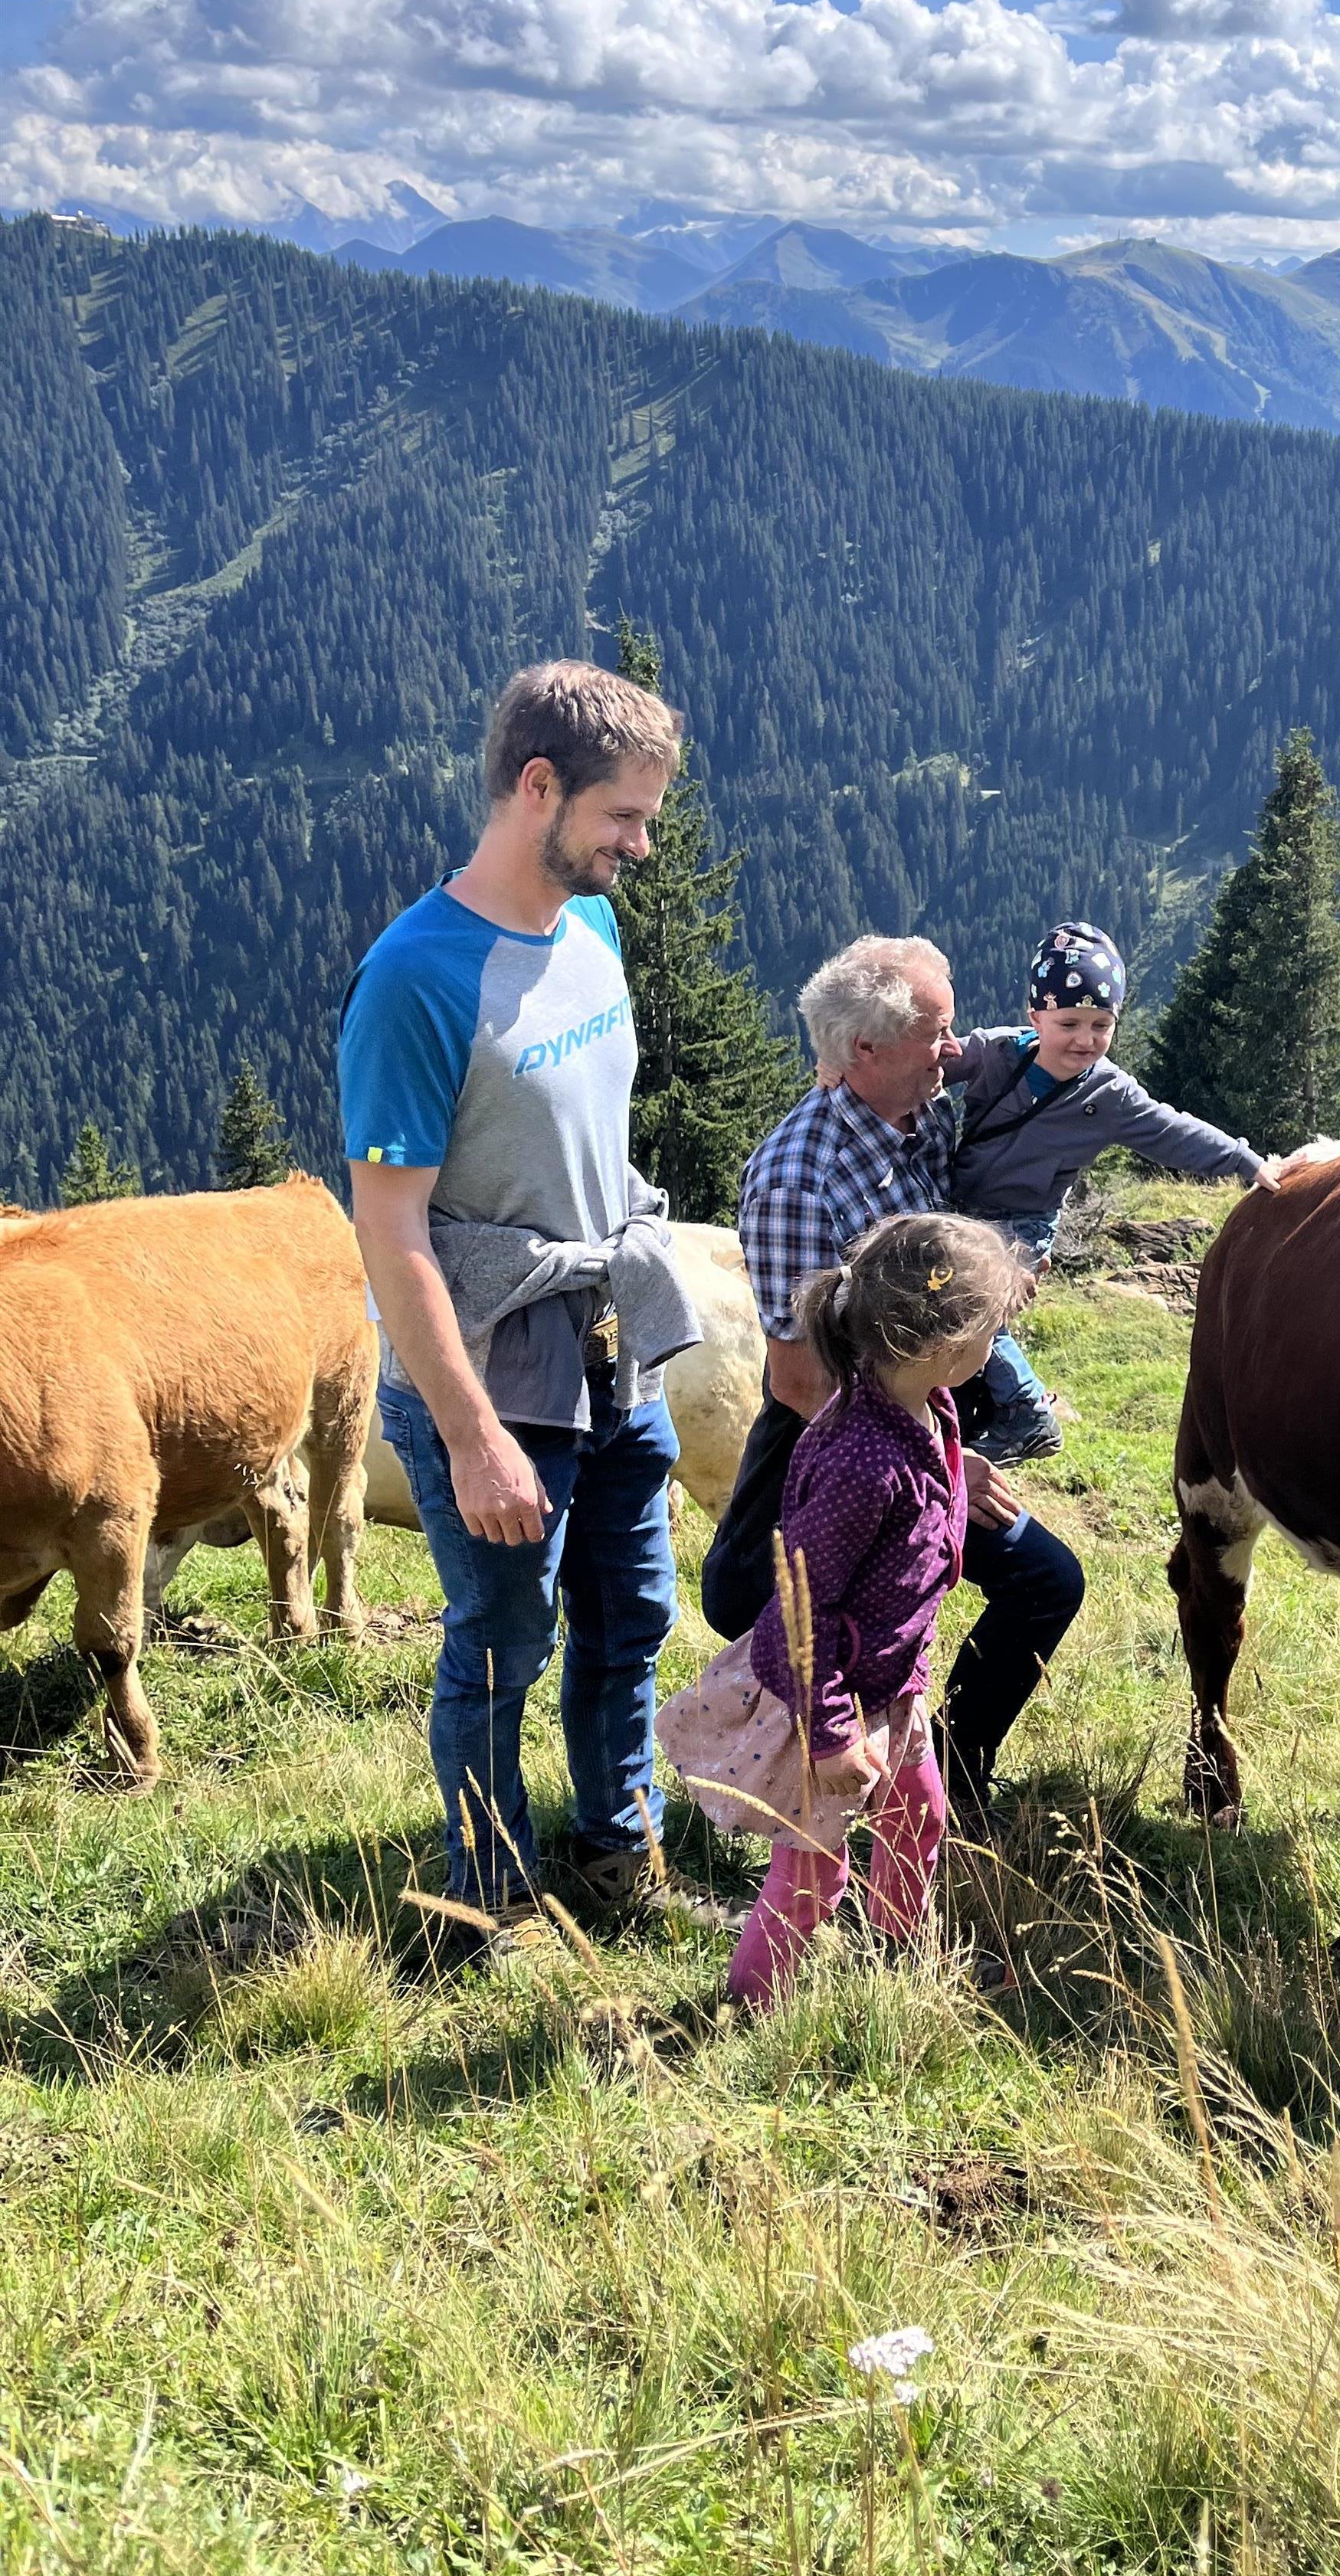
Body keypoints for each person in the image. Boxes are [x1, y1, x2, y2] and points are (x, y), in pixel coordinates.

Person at [340, 659, 705, 1944]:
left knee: (633, 1610)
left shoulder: (589, 931)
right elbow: (389, 1231)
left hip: (606, 1342)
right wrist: (470, 1433)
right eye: (625, 816)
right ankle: (482, 1896)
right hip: (495, 1368)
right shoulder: (417, 979)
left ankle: (617, 1852)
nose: (641, 845)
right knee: (502, 1645)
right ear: (536, 787)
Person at [702, 934, 1084, 1821]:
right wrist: (941, 1467)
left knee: (1045, 1582)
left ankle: (946, 1769)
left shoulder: (924, 1114)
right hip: (839, 1457)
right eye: (939, 1033)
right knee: (769, 1606)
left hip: (926, 1422)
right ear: (864, 1051)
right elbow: (801, 1380)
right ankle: (791, 1774)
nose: (956, 1049)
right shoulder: (800, 1176)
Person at [725, 1211, 1025, 2010]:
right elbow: (800, 1611)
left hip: (893, 1684)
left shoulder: (932, 1409)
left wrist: (911, 1674)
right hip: (833, 1701)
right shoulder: (861, 1459)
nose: (997, 1344)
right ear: (945, 1341)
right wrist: (828, 1735)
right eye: (992, 1327)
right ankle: (751, 2009)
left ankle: (898, 1953)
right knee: (812, 1872)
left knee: (919, 1815)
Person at [947, 921, 1279, 1463]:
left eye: (1102, 1024)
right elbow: (925, 1060)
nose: (1086, 1039)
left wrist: (1244, 1161)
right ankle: (975, 1403)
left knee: (974, 1307)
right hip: (963, 1211)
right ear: (1036, 1017)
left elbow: (1173, 1132)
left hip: (1026, 1221)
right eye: (1069, 1022)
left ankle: (1028, 1414)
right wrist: (843, 1063)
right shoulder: (993, 1054)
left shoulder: (1111, 1095)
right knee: (958, 1305)